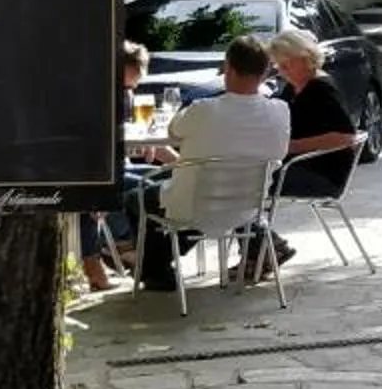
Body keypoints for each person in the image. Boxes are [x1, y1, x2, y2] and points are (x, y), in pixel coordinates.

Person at [133, 36, 290, 291]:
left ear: (228, 68)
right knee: (181, 195)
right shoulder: (280, 110)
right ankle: (156, 262)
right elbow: (280, 153)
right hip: (248, 208)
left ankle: (154, 268)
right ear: (265, 73)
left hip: (193, 207)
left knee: (136, 197)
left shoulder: (204, 109)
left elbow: (173, 130)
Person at [266, 29, 357, 230]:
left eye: (286, 63)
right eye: (279, 65)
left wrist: (291, 146)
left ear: (306, 58)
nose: (282, 70)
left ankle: (261, 240)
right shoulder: (294, 87)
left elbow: (345, 137)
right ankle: (260, 240)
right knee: (240, 180)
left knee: (244, 185)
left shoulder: (320, 89)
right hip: (297, 167)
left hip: (321, 175)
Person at [78, 42, 151, 291]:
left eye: (133, 86)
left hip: (114, 167)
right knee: (103, 190)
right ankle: (115, 250)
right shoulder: (92, 96)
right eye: (125, 86)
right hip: (90, 170)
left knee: (160, 180)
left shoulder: (121, 96)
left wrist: (181, 164)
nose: (129, 91)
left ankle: (125, 245)